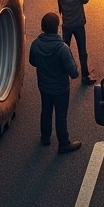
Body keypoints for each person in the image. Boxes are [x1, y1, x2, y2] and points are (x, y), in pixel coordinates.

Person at [28, 12, 81, 154]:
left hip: (44, 86)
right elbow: (74, 74)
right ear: (57, 28)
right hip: (61, 89)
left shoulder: (36, 44)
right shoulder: (62, 48)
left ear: (42, 27)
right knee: (60, 116)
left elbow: (32, 61)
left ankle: (45, 137)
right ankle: (64, 143)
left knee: (46, 111)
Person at [58, 0, 94, 86]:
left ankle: (63, 74)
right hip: (78, 25)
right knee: (82, 51)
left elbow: (60, 6)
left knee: (65, 50)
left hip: (66, 25)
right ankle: (85, 76)